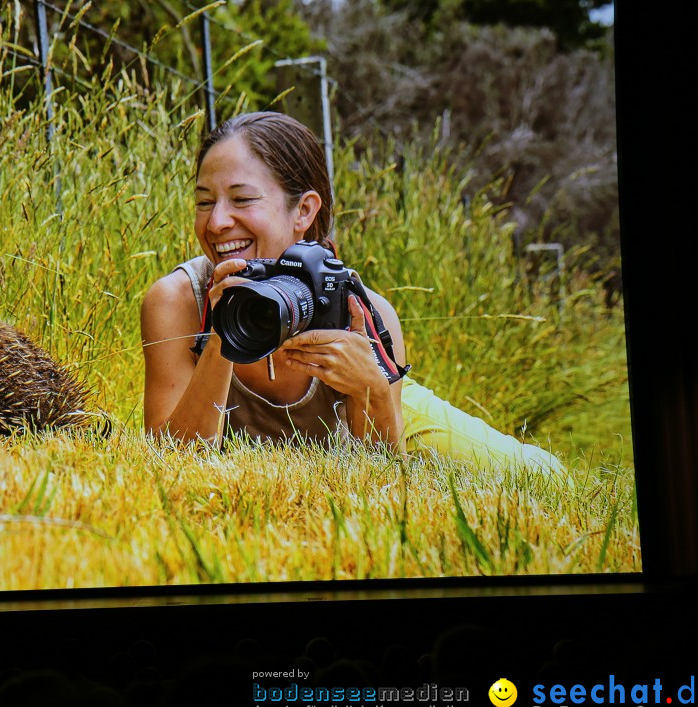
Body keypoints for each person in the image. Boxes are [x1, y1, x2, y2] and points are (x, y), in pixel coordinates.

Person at [140, 111, 564, 475]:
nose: (216, 223)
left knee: (543, 477)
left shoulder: (362, 311)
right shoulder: (179, 301)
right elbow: (169, 462)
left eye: (242, 199)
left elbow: (379, 480)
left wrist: (375, 390)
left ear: (304, 210)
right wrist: (224, 335)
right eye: (203, 202)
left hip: (399, 411)